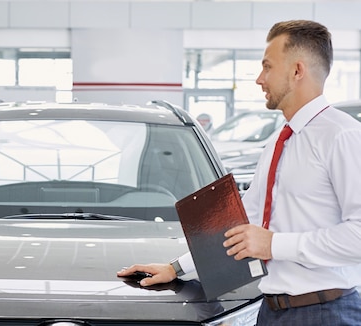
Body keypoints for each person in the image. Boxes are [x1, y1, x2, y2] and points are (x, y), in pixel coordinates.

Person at [118, 20, 361, 325]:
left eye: (267, 67)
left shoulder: (343, 136)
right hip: (271, 311)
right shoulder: (279, 141)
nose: (260, 79)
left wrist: (273, 244)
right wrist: (177, 269)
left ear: (297, 71)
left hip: (325, 313)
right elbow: (241, 227)